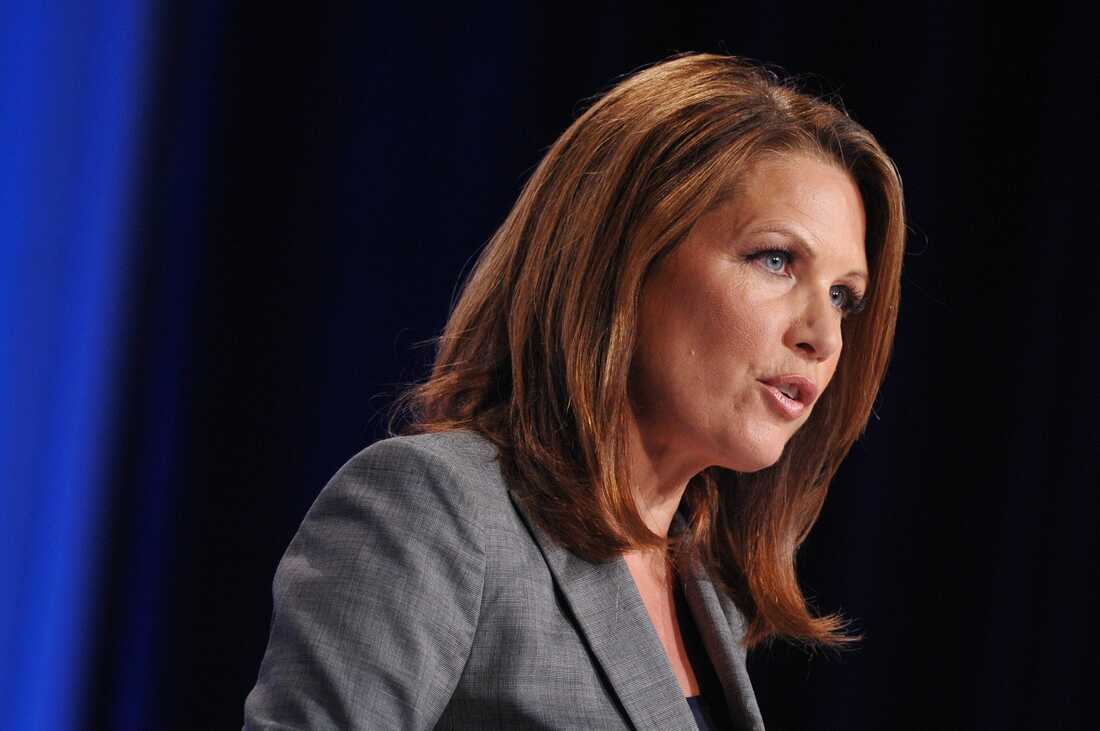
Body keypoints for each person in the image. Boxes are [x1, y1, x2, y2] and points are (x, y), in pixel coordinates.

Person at [242, 52, 905, 730]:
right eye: (776, 260)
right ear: (626, 255)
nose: (824, 336)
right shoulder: (436, 510)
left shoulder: (705, 593)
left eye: (843, 296)